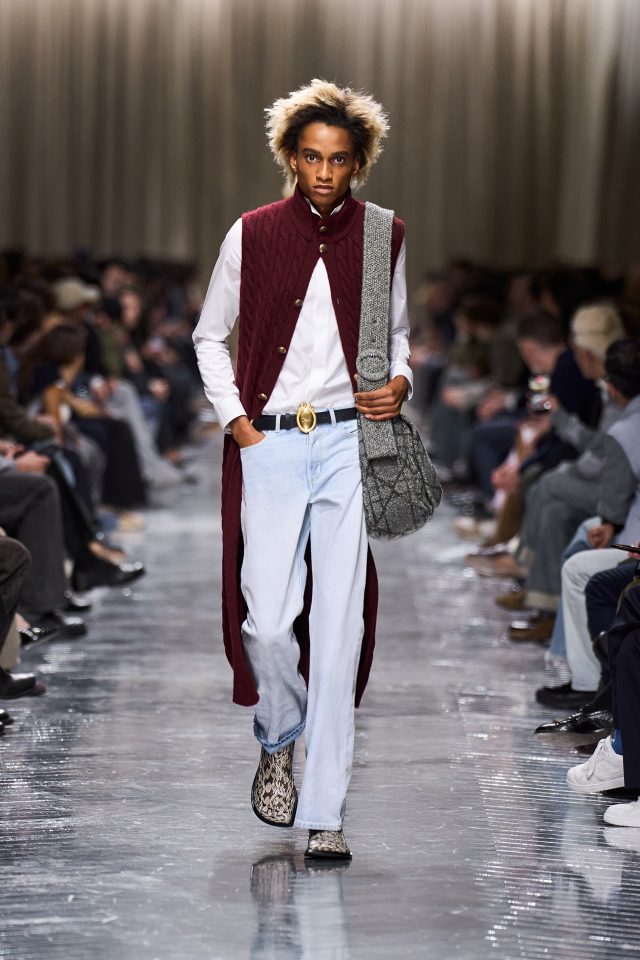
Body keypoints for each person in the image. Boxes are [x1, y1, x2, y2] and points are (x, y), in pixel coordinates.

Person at [193, 80, 412, 860]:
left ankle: (325, 812)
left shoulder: (383, 235)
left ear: (358, 163)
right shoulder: (251, 233)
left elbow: (397, 332)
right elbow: (208, 336)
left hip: (350, 442)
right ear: (291, 157)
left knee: (339, 625)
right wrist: (239, 424)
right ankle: (279, 732)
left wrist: (400, 380)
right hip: (273, 444)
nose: (324, 172)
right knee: (267, 621)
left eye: (339, 160)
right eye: (312, 157)